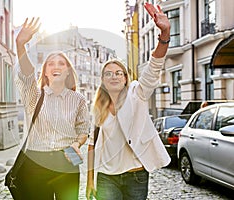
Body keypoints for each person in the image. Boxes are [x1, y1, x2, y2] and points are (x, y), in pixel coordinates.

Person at [86, 3, 171, 200]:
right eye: (108, 74)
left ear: (125, 78)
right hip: (107, 177)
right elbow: (91, 145)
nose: (114, 76)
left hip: (137, 175)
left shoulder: (137, 94)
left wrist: (165, 33)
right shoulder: (98, 109)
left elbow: (153, 68)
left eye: (118, 73)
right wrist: (90, 180)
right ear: (103, 81)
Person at [15, 17, 90, 200]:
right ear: (45, 72)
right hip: (37, 161)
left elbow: (83, 131)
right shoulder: (34, 95)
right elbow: (26, 73)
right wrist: (20, 44)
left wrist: (76, 144)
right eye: (51, 63)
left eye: (61, 63)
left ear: (67, 71)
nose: (56, 66)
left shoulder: (78, 100)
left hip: (67, 160)